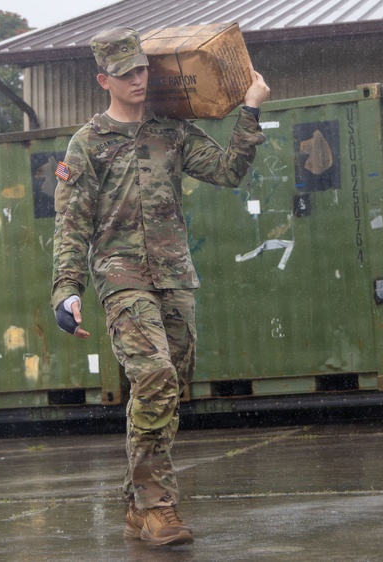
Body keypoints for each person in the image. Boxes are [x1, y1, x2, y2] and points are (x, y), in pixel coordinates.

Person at [51, 27, 270, 546]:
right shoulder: (88, 144)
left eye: (142, 69)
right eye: (125, 73)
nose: (137, 79)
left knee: (170, 385)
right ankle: (158, 508)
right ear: (103, 78)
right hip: (121, 277)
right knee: (152, 376)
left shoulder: (170, 131)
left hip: (174, 276)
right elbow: (71, 223)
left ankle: (135, 502)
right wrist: (67, 289)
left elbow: (227, 170)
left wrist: (252, 111)